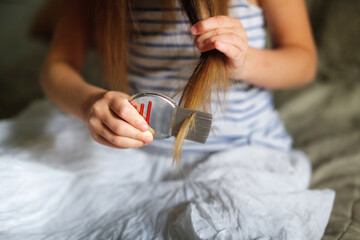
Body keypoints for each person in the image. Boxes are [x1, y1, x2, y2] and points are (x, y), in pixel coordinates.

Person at [41, 0, 316, 153]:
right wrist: (89, 102)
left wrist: (245, 62)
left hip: (244, 149)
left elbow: (304, 63)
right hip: (139, 153)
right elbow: (57, 66)